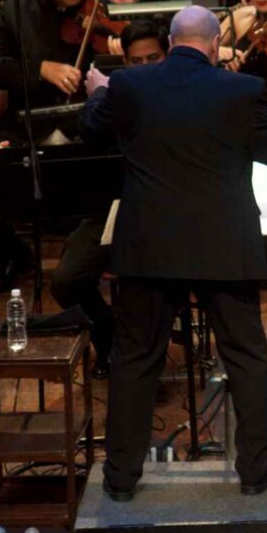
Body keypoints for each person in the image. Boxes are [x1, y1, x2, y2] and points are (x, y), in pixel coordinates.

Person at [79, 6, 267, 501]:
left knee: (135, 360)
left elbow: (91, 128)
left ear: (171, 42)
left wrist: (97, 94)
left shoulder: (130, 86)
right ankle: (256, 473)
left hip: (150, 246)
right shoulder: (239, 89)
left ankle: (122, 479)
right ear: (215, 45)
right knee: (246, 357)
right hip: (224, 245)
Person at [0, 0, 96, 295]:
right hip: (27, 127)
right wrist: (40, 68)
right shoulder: (15, 12)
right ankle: (11, 256)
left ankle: (95, 253)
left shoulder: (99, 12)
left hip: (84, 130)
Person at [59, 20, 169, 378]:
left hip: (165, 214)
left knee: (146, 287)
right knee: (67, 280)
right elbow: (88, 134)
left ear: (166, 55)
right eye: (135, 62)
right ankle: (107, 335)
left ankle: (146, 358)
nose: (144, 68)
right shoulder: (115, 93)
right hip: (113, 209)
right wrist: (101, 97)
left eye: (152, 58)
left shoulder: (178, 90)